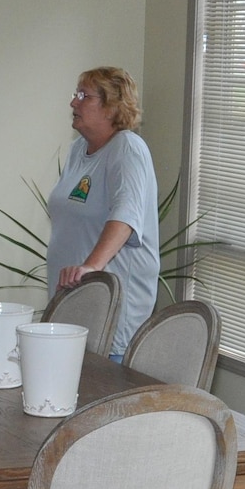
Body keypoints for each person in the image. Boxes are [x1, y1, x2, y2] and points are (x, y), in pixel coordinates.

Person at [45, 66, 160, 360]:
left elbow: (125, 215)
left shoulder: (127, 148)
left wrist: (91, 267)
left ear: (112, 107)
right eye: (76, 94)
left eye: (84, 96)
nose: (74, 103)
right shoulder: (77, 151)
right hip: (73, 303)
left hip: (111, 312)